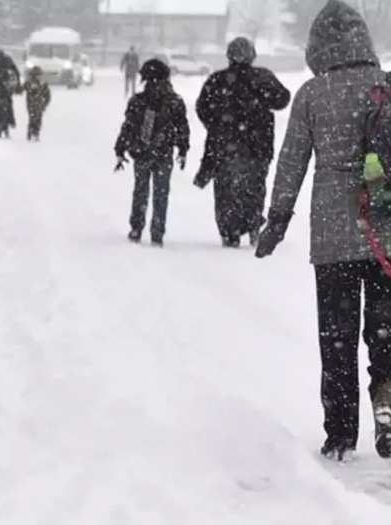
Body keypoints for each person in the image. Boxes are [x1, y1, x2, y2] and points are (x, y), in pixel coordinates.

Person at [255, 0, 391, 461]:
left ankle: (340, 435)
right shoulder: (385, 86)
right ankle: (388, 402)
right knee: (385, 332)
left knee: (337, 337)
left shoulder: (313, 94)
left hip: (333, 234)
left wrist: (277, 219)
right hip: (384, 230)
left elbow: (292, 161)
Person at [194, 37, 291, 247]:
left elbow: (202, 108)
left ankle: (230, 231)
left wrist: (217, 124)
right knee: (254, 188)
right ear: (252, 55)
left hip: (224, 147)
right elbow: (283, 99)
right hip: (258, 146)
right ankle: (253, 223)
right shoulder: (263, 77)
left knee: (225, 191)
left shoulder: (217, 80)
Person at [115, 59, 190, 247]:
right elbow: (182, 128)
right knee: (161, 193)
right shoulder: (175, 102)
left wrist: (120, 148)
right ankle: (157, 231)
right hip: (164, 153)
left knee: (140, 191)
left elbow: (128, 127)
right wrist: (182, 149)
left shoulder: (138, 101)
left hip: (142, 152)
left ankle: (136, 227)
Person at [23, 66, 51, 141]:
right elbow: (47, 94)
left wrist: (45, 102)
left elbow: (47, 94)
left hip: (37, 103)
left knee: (35, 117)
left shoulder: (41, 83)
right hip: (35, 103)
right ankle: (33, 132)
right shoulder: (31, 83)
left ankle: (33, 132)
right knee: (35, 117)